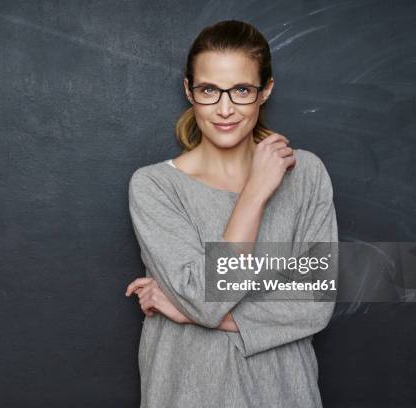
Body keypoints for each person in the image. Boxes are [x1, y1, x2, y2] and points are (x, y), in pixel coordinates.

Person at [125, 20, 338, 408]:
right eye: (209, 90)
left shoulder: (306, 174)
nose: (225, 109)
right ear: (189, 91)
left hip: (283, 392)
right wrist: (255, 192)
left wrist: (186, 312)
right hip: (186, 392)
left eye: (241, 90)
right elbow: (207, 299)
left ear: (265, 91)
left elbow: (314, 304)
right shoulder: (154, 186)